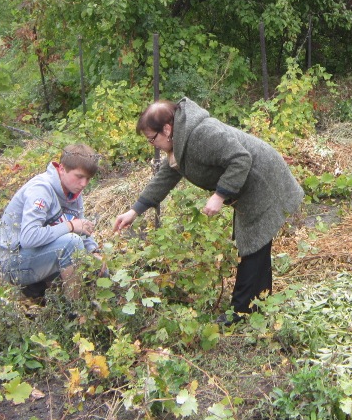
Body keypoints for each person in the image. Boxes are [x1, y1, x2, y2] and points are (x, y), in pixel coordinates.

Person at [114, 98, 304, 324]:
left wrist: (220, 194)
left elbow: (241, 158)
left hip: (262, 179)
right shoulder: (180, 141)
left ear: (167, 128)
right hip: (249, 183)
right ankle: (259, 303)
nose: (152, 144)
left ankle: (240, 313)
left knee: (253, 244)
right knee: (255, 244)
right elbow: (165, 177)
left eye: (152, 139)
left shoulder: (201, 134)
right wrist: (134, 211)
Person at [0, 144, 101, 302]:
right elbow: (29, 238)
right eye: (79, 176)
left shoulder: (74, 191)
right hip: (12, 262)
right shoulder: (41, 190)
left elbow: (82, 228)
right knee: (71, 243)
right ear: (62, 169)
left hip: (40, 253)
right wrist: (70, 226)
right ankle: (75, 312)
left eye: (88, 179)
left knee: (96, 267)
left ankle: (50, 297)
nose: (84, 184)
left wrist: (94, 252)